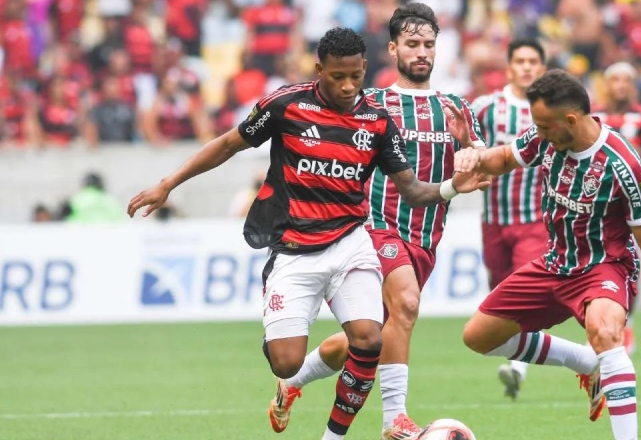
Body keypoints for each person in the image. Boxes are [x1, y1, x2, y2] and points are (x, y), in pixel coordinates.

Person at [126, 27, 487, 440]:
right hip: (295, 249)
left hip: (352, 243)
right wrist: (168, 184)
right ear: (319, 70)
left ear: (365, 68)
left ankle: (336, 436)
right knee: (287, 362)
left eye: (356, 76)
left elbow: (411, 190)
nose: (348, 86)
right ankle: (288, 374)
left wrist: (452, 187)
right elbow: (228, 144)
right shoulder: (286, 105)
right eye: (338, 77)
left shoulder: (377, 121)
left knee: (369, 339)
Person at [268, 4, 486, 440]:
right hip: (374, 228)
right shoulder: (372, 103)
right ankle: (395, 419)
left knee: (367, 340)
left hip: (424, 238)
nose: (421, 52)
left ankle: (292, 382)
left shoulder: (454, 107)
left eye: (429, 44)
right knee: (406, 303)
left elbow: (481, 168)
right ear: (393, 49)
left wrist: (472, 149)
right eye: (412, 44)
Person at [453, 69, 641, 440]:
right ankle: (585, 362)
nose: (538, 132)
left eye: (543, 126)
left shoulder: (624, 166)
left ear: (570, 120)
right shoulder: (546, 138)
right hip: (554, 262)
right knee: (478, 337)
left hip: (604, 267)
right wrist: (473, 156)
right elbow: (503, 158)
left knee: (605, 332)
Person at [471, 38, 549, 401]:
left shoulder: (549, 110)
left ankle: (518, 368)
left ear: (542, 68)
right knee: (500, 295)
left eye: (533, 61)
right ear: (509, 68)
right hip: (494, 220)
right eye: (521, 61)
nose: (527, 67)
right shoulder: (486, 107)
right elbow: (464, 142)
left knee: (524, 293)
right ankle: (518, 358)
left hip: (534, 220)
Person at [594, 61, 641, 356]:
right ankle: (601, 326)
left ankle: (627, 325)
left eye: (627, 80)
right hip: (598, 200)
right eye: (616, 79)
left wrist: (638, 152)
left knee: (635, 261)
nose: (621, 85)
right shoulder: (594, 116)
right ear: (607, 84)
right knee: (597, 261)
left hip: (634, 199)